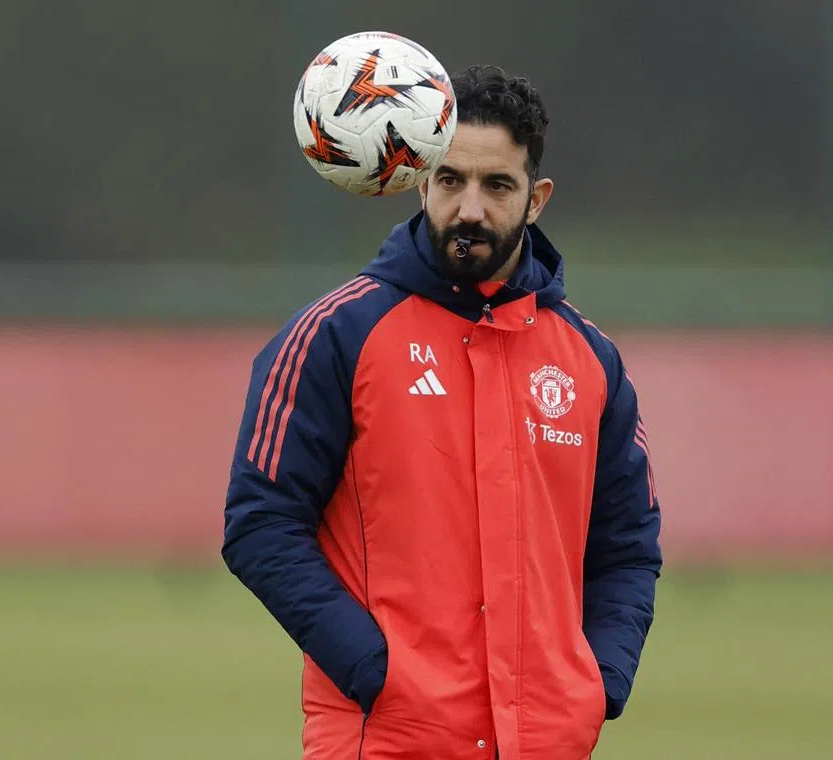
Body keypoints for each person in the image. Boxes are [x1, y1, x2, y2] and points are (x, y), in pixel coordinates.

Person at [222, 64, 663, 759]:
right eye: (451, 180)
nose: (470, 209)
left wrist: (597, 682)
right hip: (390, 740)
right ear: (420, 180)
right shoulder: (336, 334)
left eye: (498, 185)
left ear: (537, 197)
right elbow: (260, 524)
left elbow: (628, 547)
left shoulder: (591, 360)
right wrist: (379, 673)